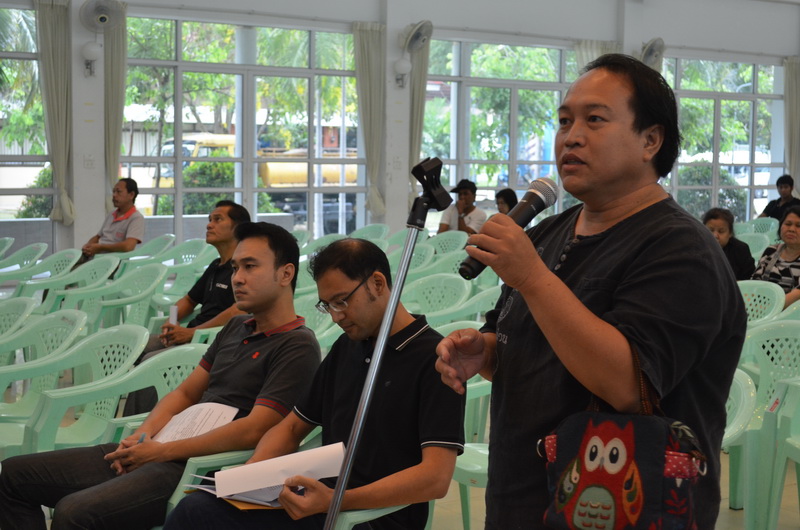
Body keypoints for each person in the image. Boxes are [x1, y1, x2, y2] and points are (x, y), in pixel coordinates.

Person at [435, 54, 746, 529]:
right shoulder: (549, 232)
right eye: (564, 121)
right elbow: (528, 349)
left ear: (650, 140)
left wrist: (532, 277)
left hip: (624, 505)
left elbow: (628, 385)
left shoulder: (682, 249)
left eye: (594, 120)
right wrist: (487, 352)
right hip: (522, 498)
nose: (571, 136)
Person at [0, 222, 321, 530]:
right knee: (13, 476)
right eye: (236, 268)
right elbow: (184, 394)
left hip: (196, 465)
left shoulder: (297, 345)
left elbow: (254, 429)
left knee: (74, 512)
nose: (237, 278)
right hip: (163, 446)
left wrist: (162, 451)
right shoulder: (236, 327)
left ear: (285, 273)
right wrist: (143, 436)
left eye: (250, 267)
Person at [163, 238, 465, 530]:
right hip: (319, 499)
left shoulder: (436, 359)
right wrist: (250, 476)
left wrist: (337, 501)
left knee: (197, 514)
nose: (336, 317)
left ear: (377, 283)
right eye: (327, 305)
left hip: (373, 516)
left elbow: (435, 478)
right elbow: (292, 427)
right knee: (199, 506)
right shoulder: (348, 347)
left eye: (342, 301)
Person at [123, 200, 252, 415]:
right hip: (193, 334)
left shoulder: (240, 270)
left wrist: (192, 333)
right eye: (209, 220)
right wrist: (171, 323)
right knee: (135, 346)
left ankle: (138, 422)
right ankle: (137, 410)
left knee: (150, 361)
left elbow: (238, 311)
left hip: (212, 341)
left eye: (217, 219)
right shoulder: (215, 266)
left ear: (237, 228)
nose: (209, 225)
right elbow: (189, 300)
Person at [81, 178, 145, 260]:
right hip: (96, 257)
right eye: (113, 191)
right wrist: (88, 246)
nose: (114, 195)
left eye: (118, 192)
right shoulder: (111, 214)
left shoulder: (136, 218)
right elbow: (97, 237)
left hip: (113, 262)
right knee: (70, 262)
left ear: (131, 195)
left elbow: (128, 247)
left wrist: (100, 247)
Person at [752, 205, 800, 308]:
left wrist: (765, 309)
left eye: (798, 226)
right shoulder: (771, 250)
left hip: (789, 313)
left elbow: (797, 294)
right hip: (760, 307)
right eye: (788, 224)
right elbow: (755, 283)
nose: (792, 229)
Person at [702, 207, 755, 280]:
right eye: (710, 230)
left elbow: (749, 279)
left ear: (730, 233)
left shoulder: (741, 249)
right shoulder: (696, 248)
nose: (715, 235)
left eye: (721, 231)